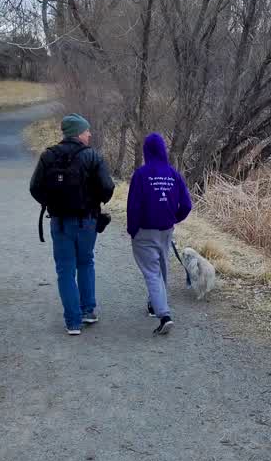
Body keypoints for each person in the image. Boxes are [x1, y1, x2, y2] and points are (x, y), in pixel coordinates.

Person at [29, 114, 115, 336]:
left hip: (59, 222)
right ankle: (88, 311)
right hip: (87, 221)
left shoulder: (49, 155)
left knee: (65, 270)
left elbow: (35, 188)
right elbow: (108, 187)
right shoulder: (93, 156)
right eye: (87, 131)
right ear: (78, 133)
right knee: (86, 263)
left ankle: (72, 322)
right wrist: (95, 201)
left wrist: (50, 204)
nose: (90, 134)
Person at [126, 132, 192, 335]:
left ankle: (164, 315)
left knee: (152, 273)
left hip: (145, 231)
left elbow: (133, 207)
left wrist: (132, 230)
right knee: (161, 268)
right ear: (163, 150)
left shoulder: (141, 175)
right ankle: (154, 305)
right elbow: (187, 205)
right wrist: (173, 219)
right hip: (166, 230)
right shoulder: (174, 174)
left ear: (146, 151)